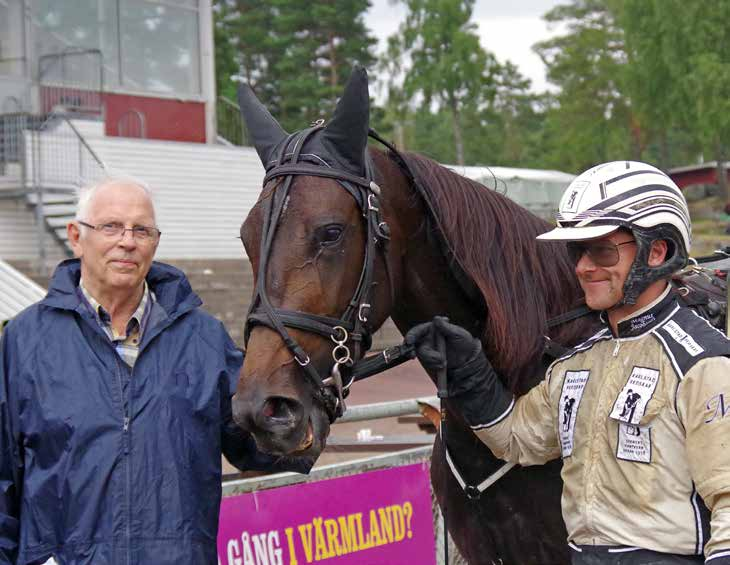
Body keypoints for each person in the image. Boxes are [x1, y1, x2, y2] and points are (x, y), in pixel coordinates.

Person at [406, 161, 730, 564]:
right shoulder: (575, 366)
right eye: (578, 251)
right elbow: (516, 439)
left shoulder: (703, 363)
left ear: (658, 250)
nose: (582, 267)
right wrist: (468, 370)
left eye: (601, 250)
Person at [0, 176, 311, 565]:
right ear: (76, 236)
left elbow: (260, 444)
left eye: (142, 230)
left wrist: (310, 399)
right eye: (111, 226)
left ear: (155, 243)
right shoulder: (24, 341)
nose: (127, 241)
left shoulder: (203, 339)